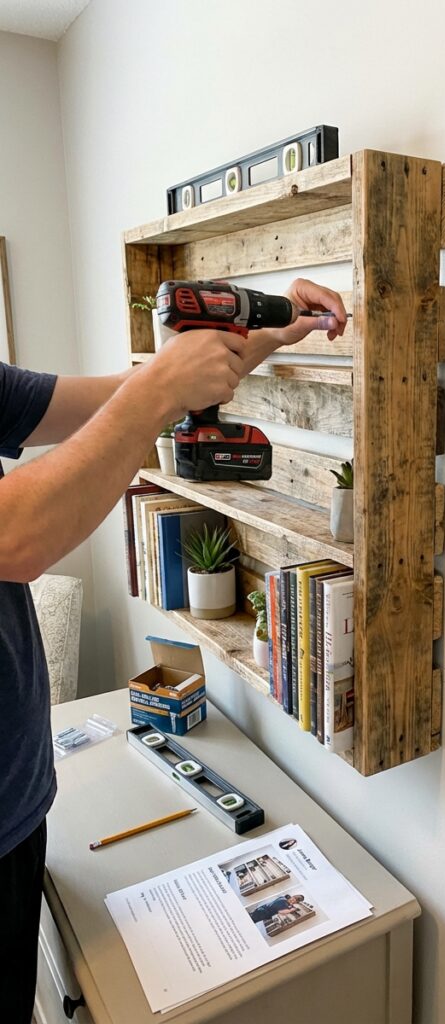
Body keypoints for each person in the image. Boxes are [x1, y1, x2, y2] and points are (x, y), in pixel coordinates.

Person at [0, 278, 346, 1024]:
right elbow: (13, 538)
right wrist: (161, 387)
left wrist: (257, 339)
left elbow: (100, 402)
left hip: (21, 802)